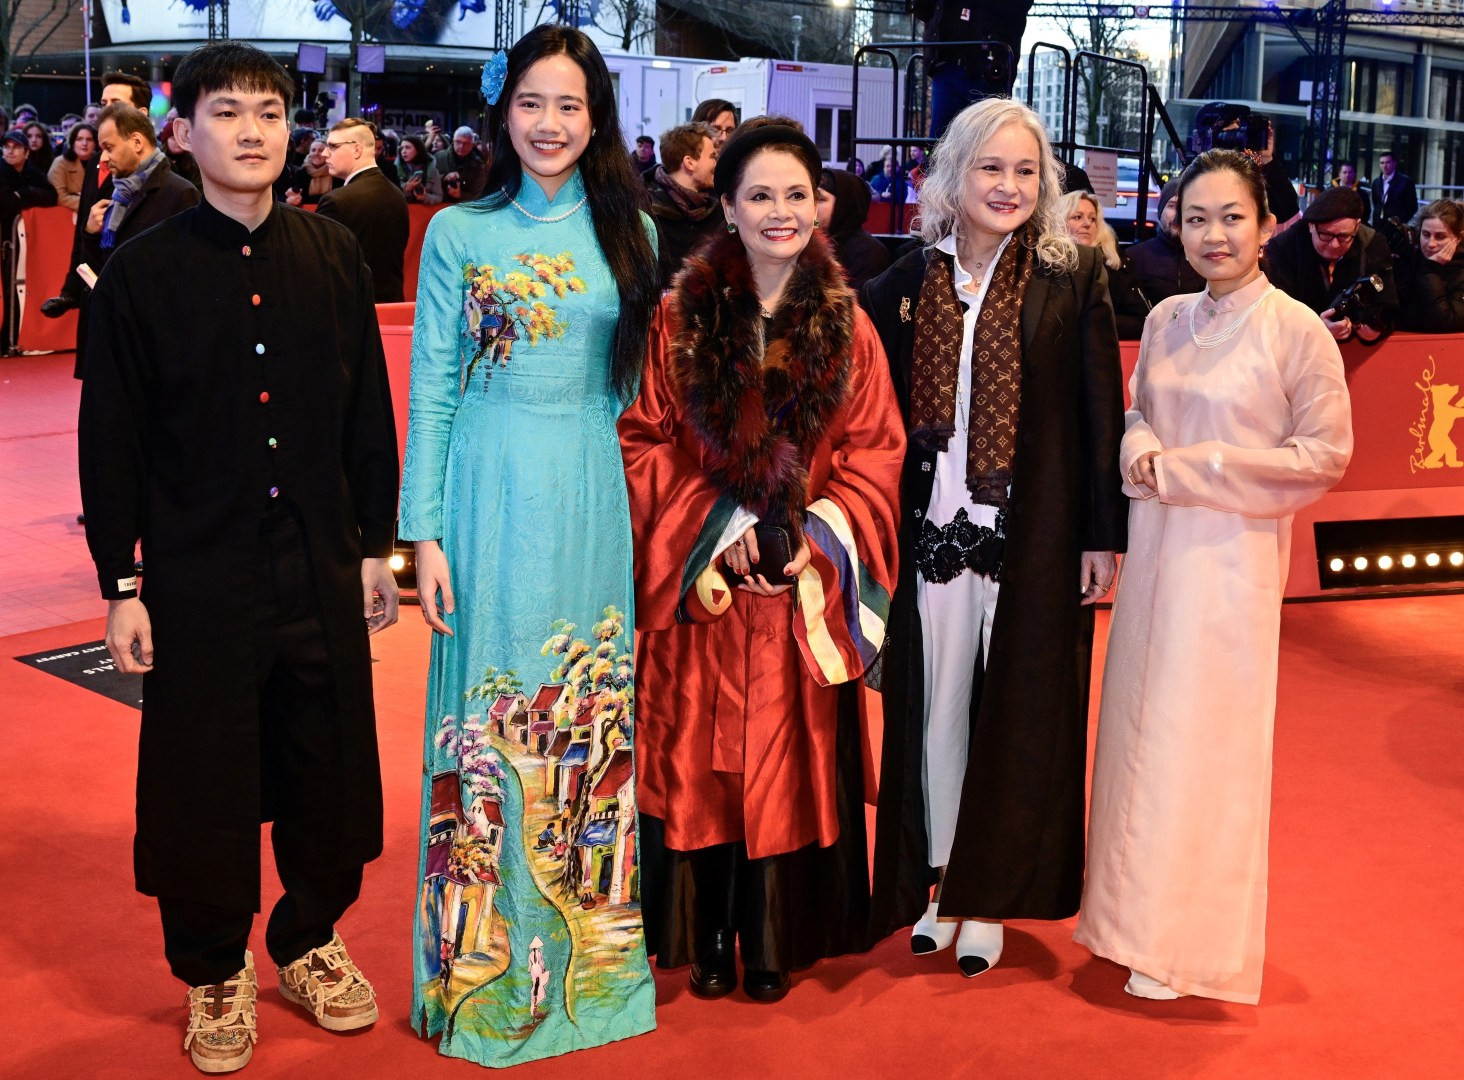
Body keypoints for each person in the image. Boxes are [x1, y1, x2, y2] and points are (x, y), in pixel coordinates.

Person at [77, 41, 399, 1074]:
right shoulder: (140, 275)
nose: (251, 131)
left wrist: (376, 547)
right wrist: (121, 584)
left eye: (269, 112)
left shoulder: (331, 254)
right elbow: (111, 438)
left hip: (317, 558)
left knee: (326, 761)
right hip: (196, 570)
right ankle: (214, 967)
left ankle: (308, 936)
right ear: (182, 131)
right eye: (227, 112)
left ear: (292, 130)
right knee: (201, 771)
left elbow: (365, 413)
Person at [400, 24, 659, 1066]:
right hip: (487, 489)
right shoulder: (458, 233)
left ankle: (597, 978)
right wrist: (422, 533)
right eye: (531, 103)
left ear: (597, 120)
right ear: (503, 113)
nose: (549, 124)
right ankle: (473, 980)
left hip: (590, 492)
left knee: (588, 721)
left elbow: (632, 394)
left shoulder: (633, 232)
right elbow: (432, 384)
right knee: (485, 715)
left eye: (569, 106)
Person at [619, 122, 903, 1004]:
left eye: (795, 194)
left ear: (820, 204)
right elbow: (639, 441)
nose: (780, 212)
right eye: (759, 195)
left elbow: (876, 454)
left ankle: (775, 934)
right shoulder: (675, 321)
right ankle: (706, 931)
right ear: (728, 208)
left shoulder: (851, 328)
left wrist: (811, 534)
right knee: (699, 764)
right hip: (703, 585)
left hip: (798, 590)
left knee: (789, 759)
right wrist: (721, 525)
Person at [1075, 148, 1353, 1004]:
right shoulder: (1165, 319)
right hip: (1154, 562)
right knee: (1138, 739)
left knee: (1202, 752)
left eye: (1232, 217)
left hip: (1230, 569)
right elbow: (1137, 410)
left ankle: (1188, 947)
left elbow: (1323, 455)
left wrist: (1193, 467)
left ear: (1268, 225)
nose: (1214, 235)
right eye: (1196, 219)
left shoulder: (1295, 329)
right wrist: (1138, 445)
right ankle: (1124, 924)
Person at [860, 97, 1127, 977]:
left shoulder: (1071, 275)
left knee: (1017, 713)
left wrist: (1100, 535)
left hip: (1032, 530)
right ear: (954, 174)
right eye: (991, 167)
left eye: (1025, 170)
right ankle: (939, 880)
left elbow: (1100, 412)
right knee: (933, 707)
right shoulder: (902, 283)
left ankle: (991, 896)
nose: (1009, 186)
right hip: (931, 529)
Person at [64, 103, 199, 373]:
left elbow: (191, 277)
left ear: (137, 142)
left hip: (158, 342)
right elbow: (102, 267)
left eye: (109, 147)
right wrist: (90, 234)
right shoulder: (117, 194)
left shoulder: (180, 193)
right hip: (117, 332)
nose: (103, 158)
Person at [1266, 185, 1398, 343]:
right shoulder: (1283, 248)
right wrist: (1316, 328)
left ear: (1357, 226)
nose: (1334, 245)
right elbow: (1275, 312)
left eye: (1343, 237)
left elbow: (1389, 305)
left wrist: (1376, 327)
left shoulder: (1372, 244)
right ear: (1310, 225)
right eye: (1326, 235)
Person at [315, 117, 410, 303]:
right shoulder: (397, 195)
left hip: (350, 310)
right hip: (391, 306)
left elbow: (319, 266)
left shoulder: (336, 201)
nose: (325, 153)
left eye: (333, 146)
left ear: (357, 150)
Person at [1060, 189, 1148, 338]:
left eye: (1093, 219)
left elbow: (1140, 321)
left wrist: (1096, 322)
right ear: (1059, 221)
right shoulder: (1045, 265)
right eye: (1078, 217)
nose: (1087, 224)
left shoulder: (1113, 263)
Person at [645, 121, 720, 288]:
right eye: (712, 156)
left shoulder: (718, 207)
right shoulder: (644, 209)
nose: (717, 163)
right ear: (689, 162)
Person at [1125, 178, 1206, 307]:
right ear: (1161, 211)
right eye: (1172, 206)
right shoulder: (1135, 257)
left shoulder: (1208, 257)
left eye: (1185, 207)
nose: (1178, 214)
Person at [817, 166, 890, 290]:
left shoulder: (870, 253)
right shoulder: (805, 242)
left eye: (820, 199)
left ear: (843, 204)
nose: (811, 206)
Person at [1399, 199, 1464, 333]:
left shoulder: (1460, 272)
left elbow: (1447, 322)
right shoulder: (1410, 260)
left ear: (1459, 238)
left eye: (1440, 236)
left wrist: (1430, 270)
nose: (1430, 244)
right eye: (1426, 234)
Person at [47, 122, 97, 210]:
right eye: (79, 139)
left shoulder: (102, 162)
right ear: (73, 143)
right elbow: (59, 197)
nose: (84, 143)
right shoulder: (60, 163)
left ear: (95, 144)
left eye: (89, 139)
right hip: (68, 213)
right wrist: (89, 202)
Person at [434, 124, 486, 202]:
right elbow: (429, 184)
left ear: (472, 145)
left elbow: (479, 194)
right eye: (458, 142)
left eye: (466, 143)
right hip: (440, 204)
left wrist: (461, 195)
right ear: (453, 141)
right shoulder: (439, 157)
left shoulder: (478, 165)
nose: (461, 146)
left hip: (465, 206)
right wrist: (445, 177)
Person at [1372, 149, 1418, 226]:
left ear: (1394, 163)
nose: (1384, 166)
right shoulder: (1376, 182)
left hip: (1396, 226)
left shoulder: (1406, 182)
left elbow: (1413, 206)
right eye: (1382, 163)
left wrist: (1401, 221)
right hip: (1378, 224)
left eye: (1388, 162)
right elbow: (1376, 202)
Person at [284, 137, 334, 206]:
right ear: (309, 153)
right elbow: (297, 197)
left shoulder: (335, 173)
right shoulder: (300, 173)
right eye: (313, 150)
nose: (316, 153)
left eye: (321, 150)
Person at [397, 133, 443, 204]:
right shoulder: (395, 169)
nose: (403, 151)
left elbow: (439, 197)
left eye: (407, 147)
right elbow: (390, 196)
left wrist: (425, 197)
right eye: (402, 148)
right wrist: (406, 189)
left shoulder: (432, 170)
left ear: (418, 150)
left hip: (424, 209)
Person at [1336, 161, 1371, 225]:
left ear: (1354, 174)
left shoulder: (1362, 193)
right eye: (1344, 172)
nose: (1347, 175)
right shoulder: (1331, 191)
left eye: (1350, 172)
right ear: (1339, 175)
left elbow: (1366, 212)